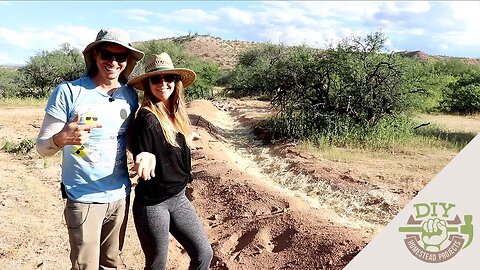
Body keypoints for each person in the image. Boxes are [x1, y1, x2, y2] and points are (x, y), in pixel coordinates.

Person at [35, 28, 147, 270]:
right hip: (83, 198)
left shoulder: (129, 96)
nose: (113, 62)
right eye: (107, 54)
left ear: (128, 61)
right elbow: (42, 148)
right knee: (85, 266)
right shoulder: (69, 92)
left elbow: (125, 138)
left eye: (121, 57)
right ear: (95, 55)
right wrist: (60, 138)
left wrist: (142, 153)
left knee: (111, 263)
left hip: (119, 195)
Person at [127, 53, 213, 270]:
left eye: (169, 78)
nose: (163, 83)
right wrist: (144, 154)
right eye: (156, 79)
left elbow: (168, 140)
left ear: (176, 82)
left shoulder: (173, 114)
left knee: (204, 253)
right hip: (153, 204)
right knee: (157, 265)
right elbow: (143, 148)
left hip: (179, 197)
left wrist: (186, 137)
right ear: (147, 84)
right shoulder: (147, 118)